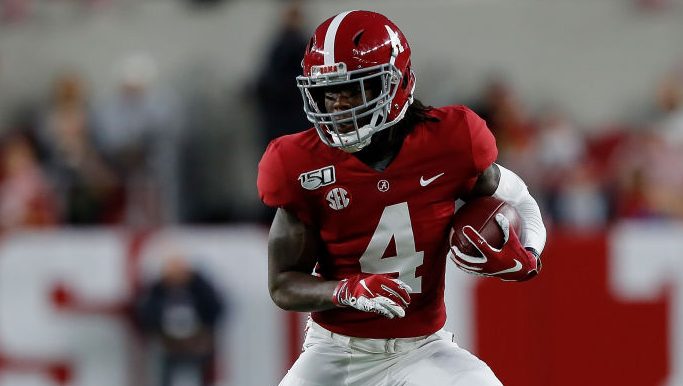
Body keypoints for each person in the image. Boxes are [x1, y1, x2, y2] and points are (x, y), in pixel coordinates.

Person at [257, 10, 546, 386]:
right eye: (328, 93)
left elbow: (520, 198)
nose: (339, 106)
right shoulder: (298, 164)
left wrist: (530, 256)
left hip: (423, 350)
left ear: (396, 84)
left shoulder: (452, 140)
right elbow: (282, 284)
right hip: (335, 351)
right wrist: (346, 290)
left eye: (355, 88)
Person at [134, 254, 226, 386]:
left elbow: (216, 308)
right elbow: (145, 314)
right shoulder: (158, 290)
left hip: (197, 344)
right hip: (169, 346)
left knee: (204, 375)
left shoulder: (199, 287)